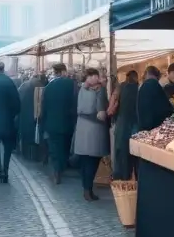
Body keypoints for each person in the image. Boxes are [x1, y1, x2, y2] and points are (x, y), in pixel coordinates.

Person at [74, 68, 109, 202]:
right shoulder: (98, 90)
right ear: (91, 77)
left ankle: (86, 189)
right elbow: (101, 113)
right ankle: (87, 190)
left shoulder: (81, 88)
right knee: (91, 162)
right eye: (97, 76)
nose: (99, 79)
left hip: (82, 129)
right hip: (94, 131)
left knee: (85, 161)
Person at [40, 63, 77, 184]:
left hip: (51, 124)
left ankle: (57, 170)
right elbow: (75, 103)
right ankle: (62, 167)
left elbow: (43, 107)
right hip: (67, 122)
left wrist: (43, 123)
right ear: (63, 72)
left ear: (55, 72)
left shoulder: (48, 86)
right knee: (65, 146)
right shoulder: (71, 84)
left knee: (54, 148)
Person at [112, 70, 140, 181]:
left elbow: (114, 104)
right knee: (133, 154)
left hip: (121, 123)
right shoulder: (137, 89)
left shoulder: (121, 87)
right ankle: (133, 180)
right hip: (133, 125)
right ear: (136, 77)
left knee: (121, 152)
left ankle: (122, 177)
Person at [137, 65, 173, 131]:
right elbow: (167, 107)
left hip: (146, 126)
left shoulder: (145, 85)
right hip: (154, 126)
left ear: (147, 73)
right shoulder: (154, 84)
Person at [18, 76, 38, 159]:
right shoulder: (39, 87)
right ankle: (34, 155)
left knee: (25, 135)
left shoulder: (23, 87)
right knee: (34, 136)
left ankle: (25, 154)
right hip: (34, 115)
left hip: (24, 115)